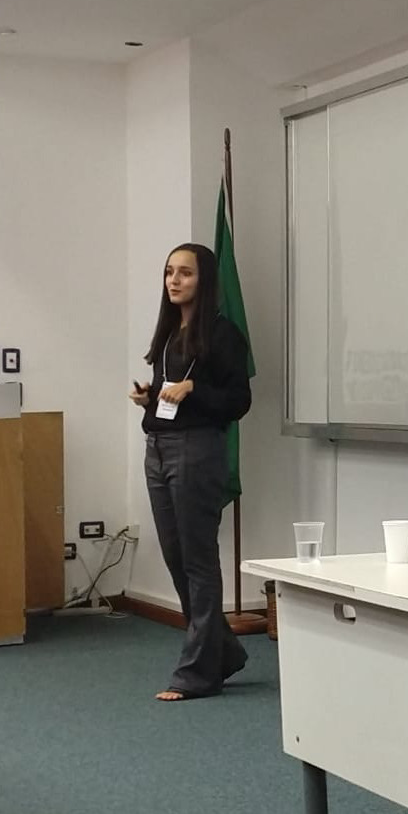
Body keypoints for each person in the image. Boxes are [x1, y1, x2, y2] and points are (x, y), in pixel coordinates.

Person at [128, 243, 252, 702]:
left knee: (198, 560)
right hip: (158, 448)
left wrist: (193, 389)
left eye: (185, 274)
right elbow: (169, 394)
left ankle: (198, 672)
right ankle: (222, 650)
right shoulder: (167, 335)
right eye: (168, 273)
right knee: (175, 556)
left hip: (198, 451)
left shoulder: (223, 335)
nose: (174, 281)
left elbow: (238, 401)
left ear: (205, 281)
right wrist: (152, 397)